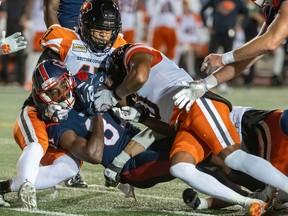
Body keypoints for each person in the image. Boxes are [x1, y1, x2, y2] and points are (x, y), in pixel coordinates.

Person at [95, 42, 288, 215]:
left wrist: (114, 95)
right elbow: (161, 131)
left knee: (232, 157)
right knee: (180, 167)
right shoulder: (138, 97)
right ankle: (248, 202)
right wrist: (138, 123)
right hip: (182, 120)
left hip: (195, 101)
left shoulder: (134, 52)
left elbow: (140, 75)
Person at [12, 0, 124, 208]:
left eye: (108, 31)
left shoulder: (117, 47)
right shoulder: (66, 40)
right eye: (99, 30)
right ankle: (26, 182)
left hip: (78, 114)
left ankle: (9, 186)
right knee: (36, 146)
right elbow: (41, 81)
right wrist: (49, 106)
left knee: (69, 167)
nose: (104, 35)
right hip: (45, 110)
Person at [183, 105, 288, 212]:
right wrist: (204, 204)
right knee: (271, 190)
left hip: (257, 127)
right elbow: (233, 192)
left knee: (274, 189)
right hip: (249, 132)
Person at [182, 0, 288, 99]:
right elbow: (253, 53)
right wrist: (205, 84)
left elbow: (269, 43)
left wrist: (222, 59)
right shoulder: (272, 8)